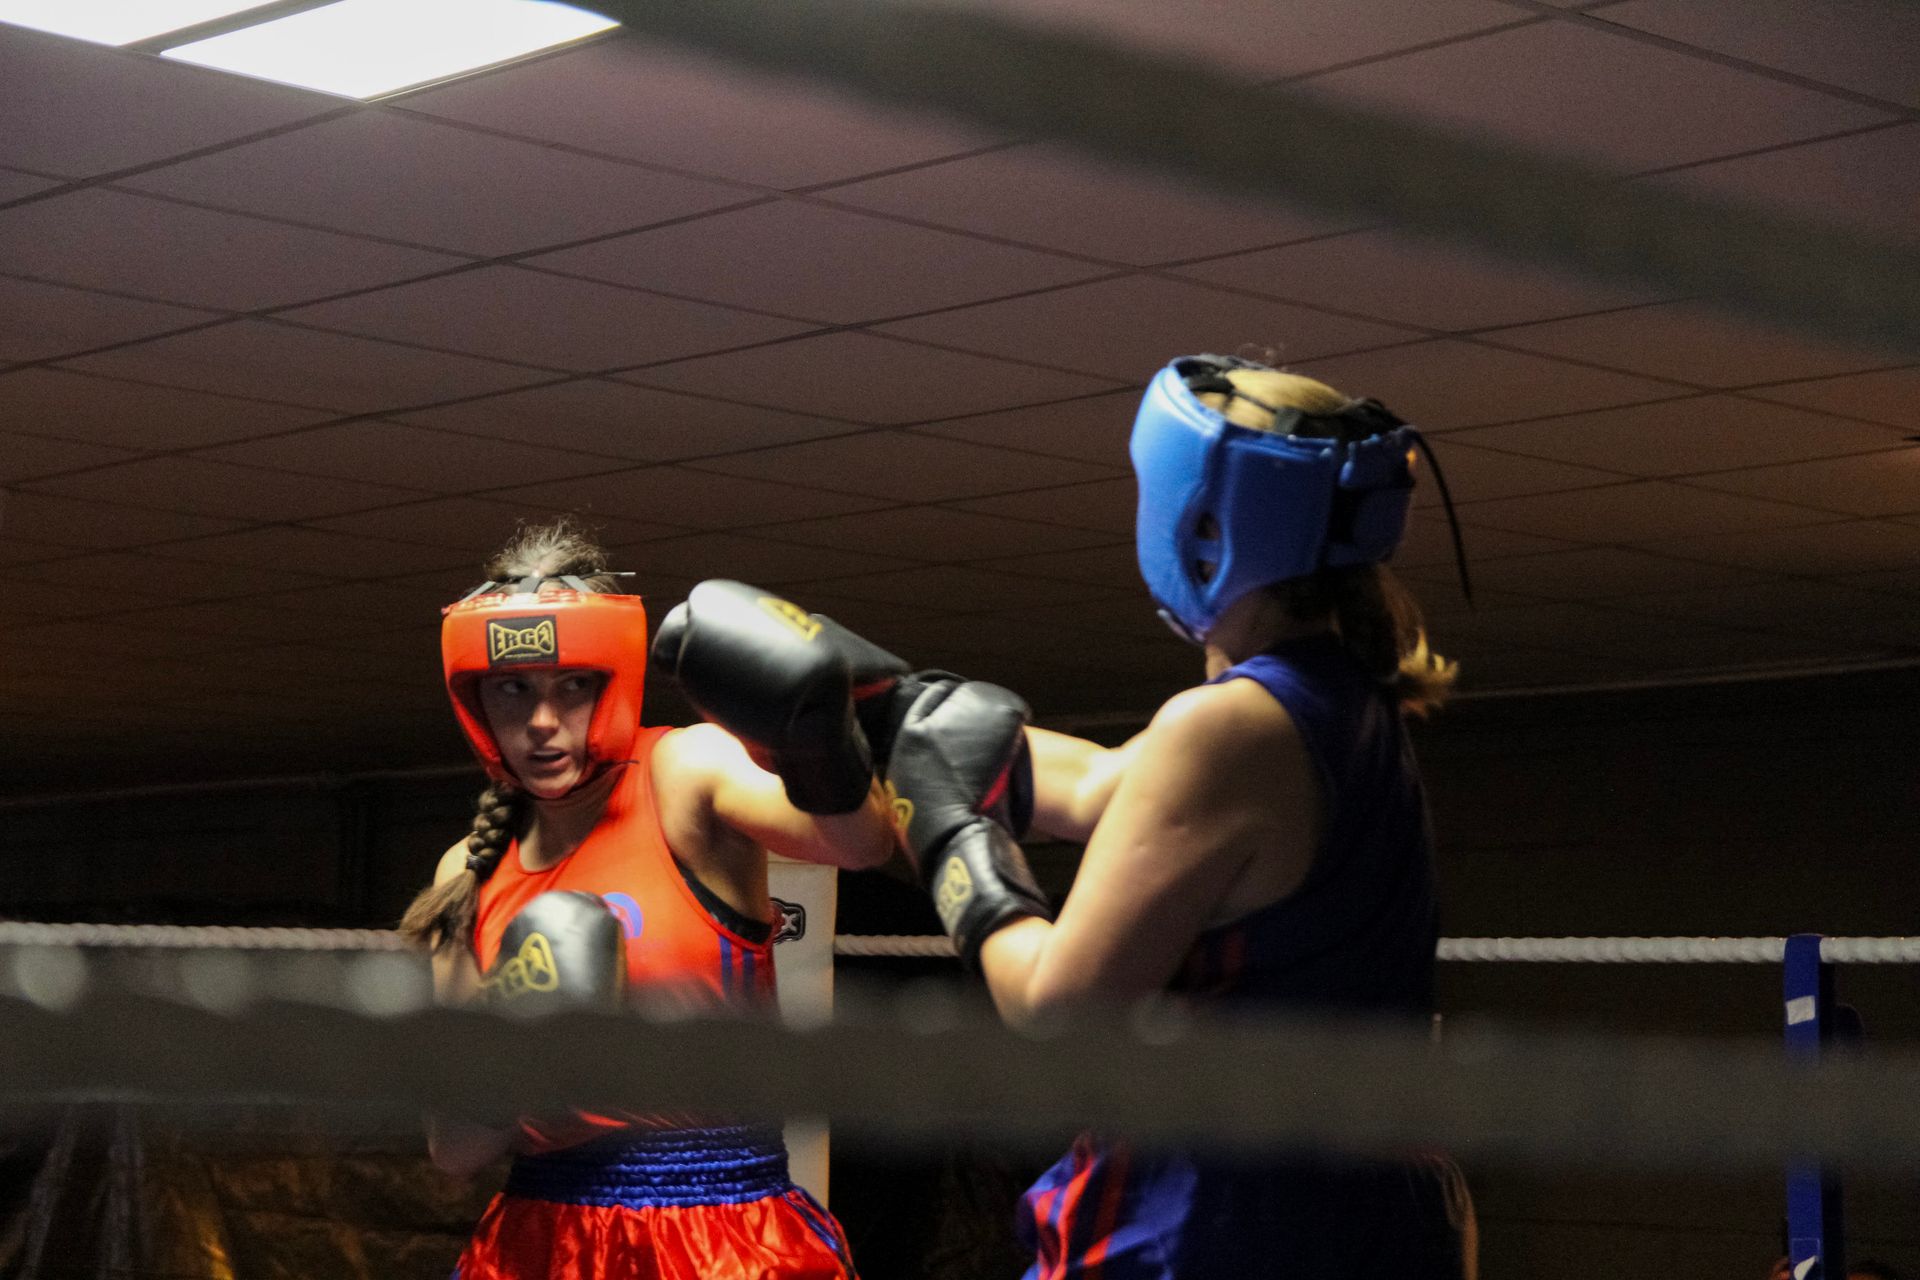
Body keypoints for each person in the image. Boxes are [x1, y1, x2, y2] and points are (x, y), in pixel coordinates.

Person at [875, 354, 1475, 1278]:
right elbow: (1115, 791)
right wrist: (891, 715)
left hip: (1223, 1219)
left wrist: (953, 836)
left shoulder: (1228, 727)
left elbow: (1057, 1011)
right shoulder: (1345, 707)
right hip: (1348, 1211)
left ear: (1199, 520)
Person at [400, 521, 898, 1280]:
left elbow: (862, 845)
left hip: (724, 1238)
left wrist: (820, 738)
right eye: (513, 689)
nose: (541, 722)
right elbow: (454, 1150)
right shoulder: (466, 869)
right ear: (476, 698)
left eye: (573, 686)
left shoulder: (683, 770)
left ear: (616, 681)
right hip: (542, 1238)